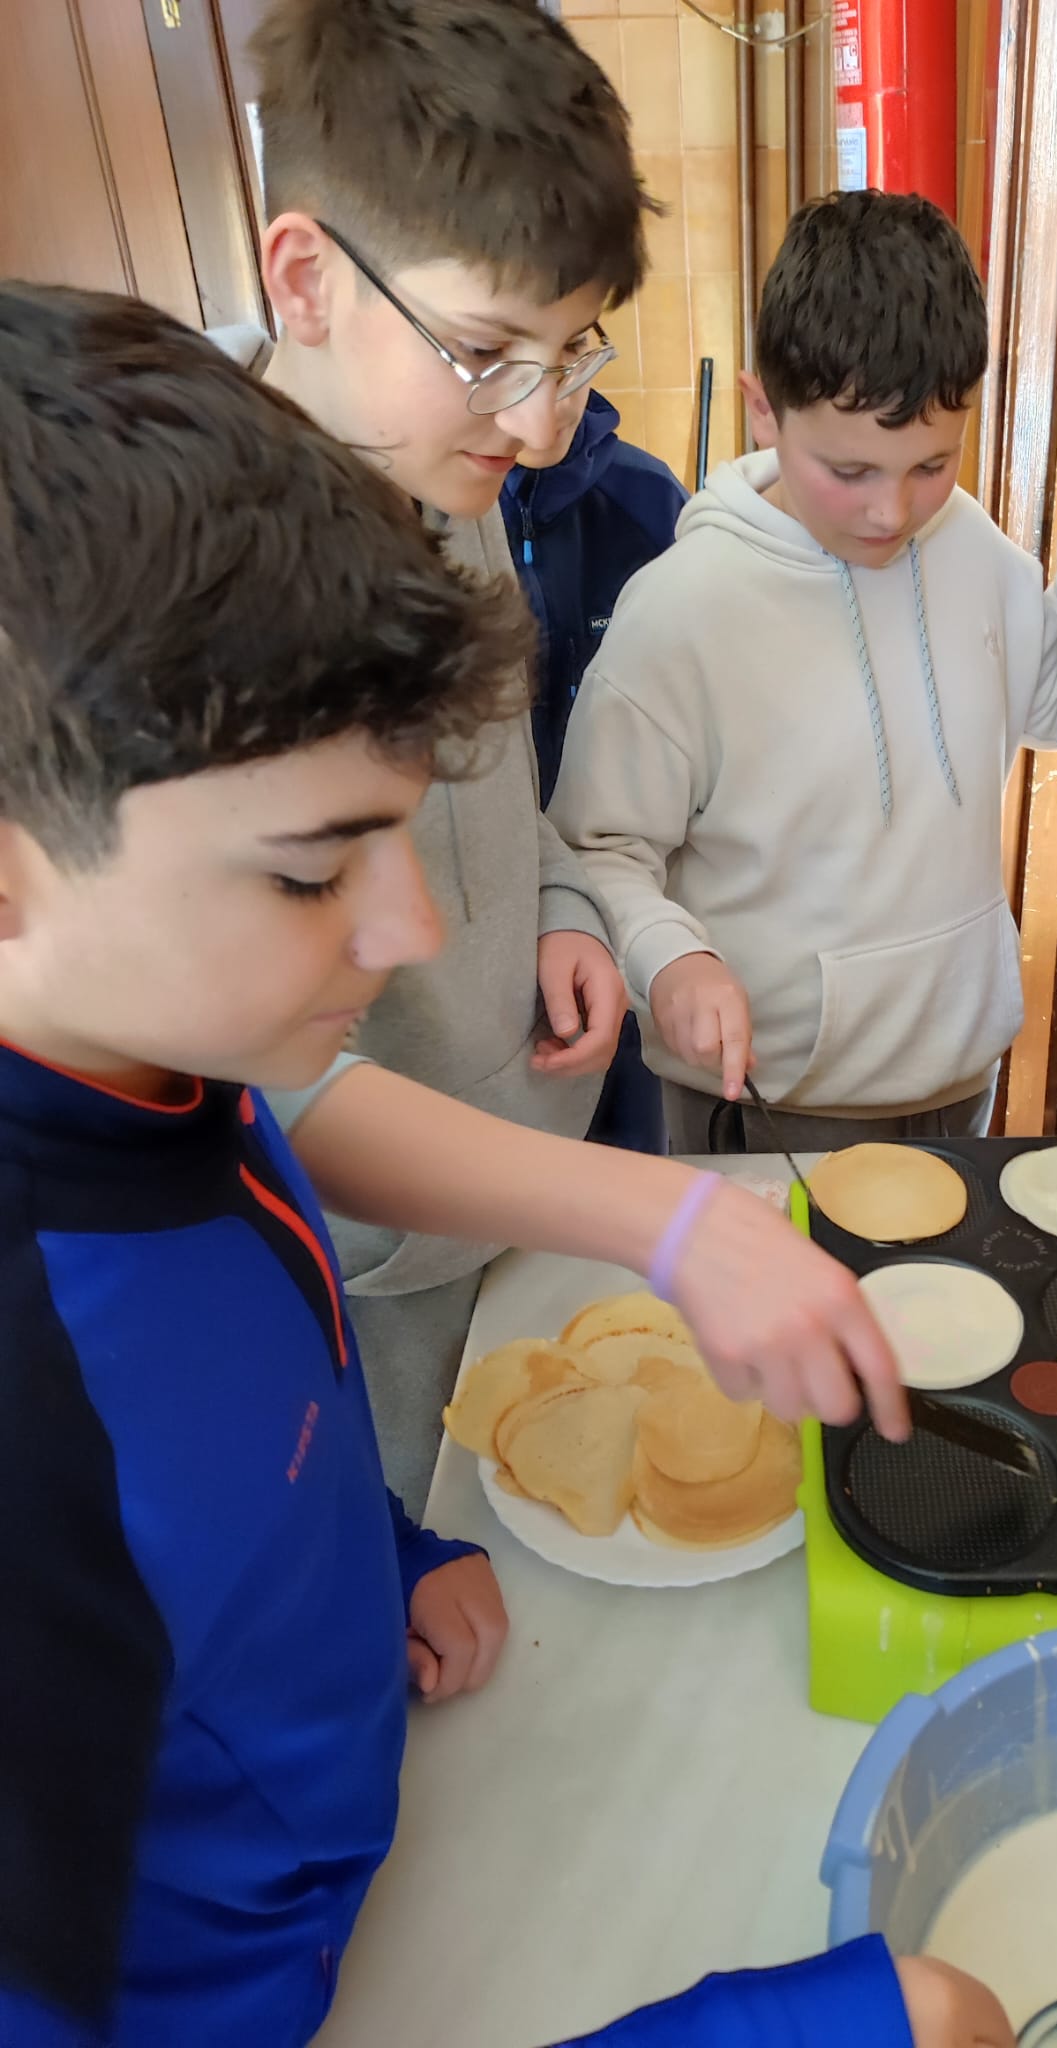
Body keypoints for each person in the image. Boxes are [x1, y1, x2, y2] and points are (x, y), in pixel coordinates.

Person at [0, 284, 1004, 2048]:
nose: (406, 929)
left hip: (380, 1828)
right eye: (313, 869)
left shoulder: (164, 1068)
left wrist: (383, 1554)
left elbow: (258, 1305)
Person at [215, 0, 900, 1509]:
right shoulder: (213, 603)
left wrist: (566, 912)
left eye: (569, 349)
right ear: (306, 278)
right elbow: (275, 1078)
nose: (536, 427)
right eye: (483, 352)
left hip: (528, 1177)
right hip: (375, 1275)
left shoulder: (438, 476)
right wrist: (664, 1219)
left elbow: (500, 793)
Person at [551, 190, 1057, 1155]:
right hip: (766, 1102)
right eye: (849, 472)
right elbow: (598, 847)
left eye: (931, 465)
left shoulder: (967, 543)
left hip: (959, 1081)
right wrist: (671, 958)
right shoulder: (683, 612)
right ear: (764, 410)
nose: (892, 512)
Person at [503, 380, 687, 1155]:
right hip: (498, 895)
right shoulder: (447, 508)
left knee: (633, 1139)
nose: (551, 399)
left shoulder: (650, 501)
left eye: (571, 359)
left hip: (624, 889)